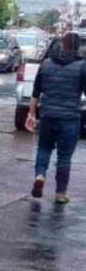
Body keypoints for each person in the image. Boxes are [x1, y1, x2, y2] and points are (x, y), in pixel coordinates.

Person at [26, 32, 86, 204]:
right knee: (64, 156)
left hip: (47, 116)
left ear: (61, 45)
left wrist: (31, 114)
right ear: (77, 47)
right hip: (70, 118)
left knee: (44, 148)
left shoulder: (45, 64)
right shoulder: (82, 66)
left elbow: (36, 93)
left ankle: (40, 175)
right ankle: (60, 192)